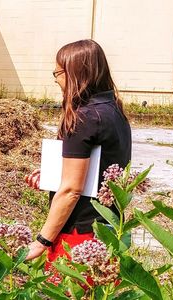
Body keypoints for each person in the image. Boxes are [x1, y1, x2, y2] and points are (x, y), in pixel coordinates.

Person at [24, 39, 131, 264]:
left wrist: (42, 240)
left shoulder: (83, 118)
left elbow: (72, 189)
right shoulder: (112, 110)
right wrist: (53, 177)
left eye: (58, 72)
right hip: (107, 224)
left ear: (75, 73)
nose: (56, 80)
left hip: (79, 231)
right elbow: (97, 166)